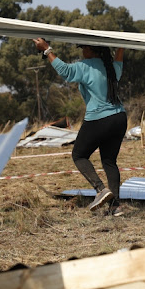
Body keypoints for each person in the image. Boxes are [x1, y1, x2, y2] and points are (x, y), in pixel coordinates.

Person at [32, 38, 127, 216]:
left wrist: (47, 50)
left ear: (90, 49)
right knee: (109, 161)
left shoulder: (86, 66)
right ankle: (115, 206)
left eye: (83, 47)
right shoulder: (111, 67)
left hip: (99, 119)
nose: (81, 50)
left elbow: (66, 72)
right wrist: (122, 44)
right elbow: (119, 59)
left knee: (79, 155)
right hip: (119, 118)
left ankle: (100, 189)